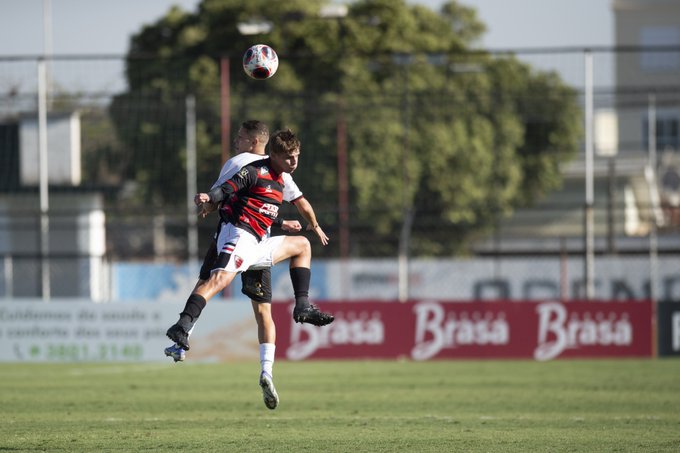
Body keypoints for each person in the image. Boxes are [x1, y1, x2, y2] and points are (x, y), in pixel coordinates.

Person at [165, 128, 333, 409]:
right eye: (289, 157)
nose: (293, 162)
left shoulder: (283, 179)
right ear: (274, 155)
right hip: (240, 236)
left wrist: (312, 225)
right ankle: (182, 327)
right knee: (218, 279)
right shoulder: (253, 170)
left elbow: (274, 207)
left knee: (302, 245)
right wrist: (210, 198)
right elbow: (229, 188)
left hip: (259, 243)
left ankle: (302, 306)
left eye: (297, 157)